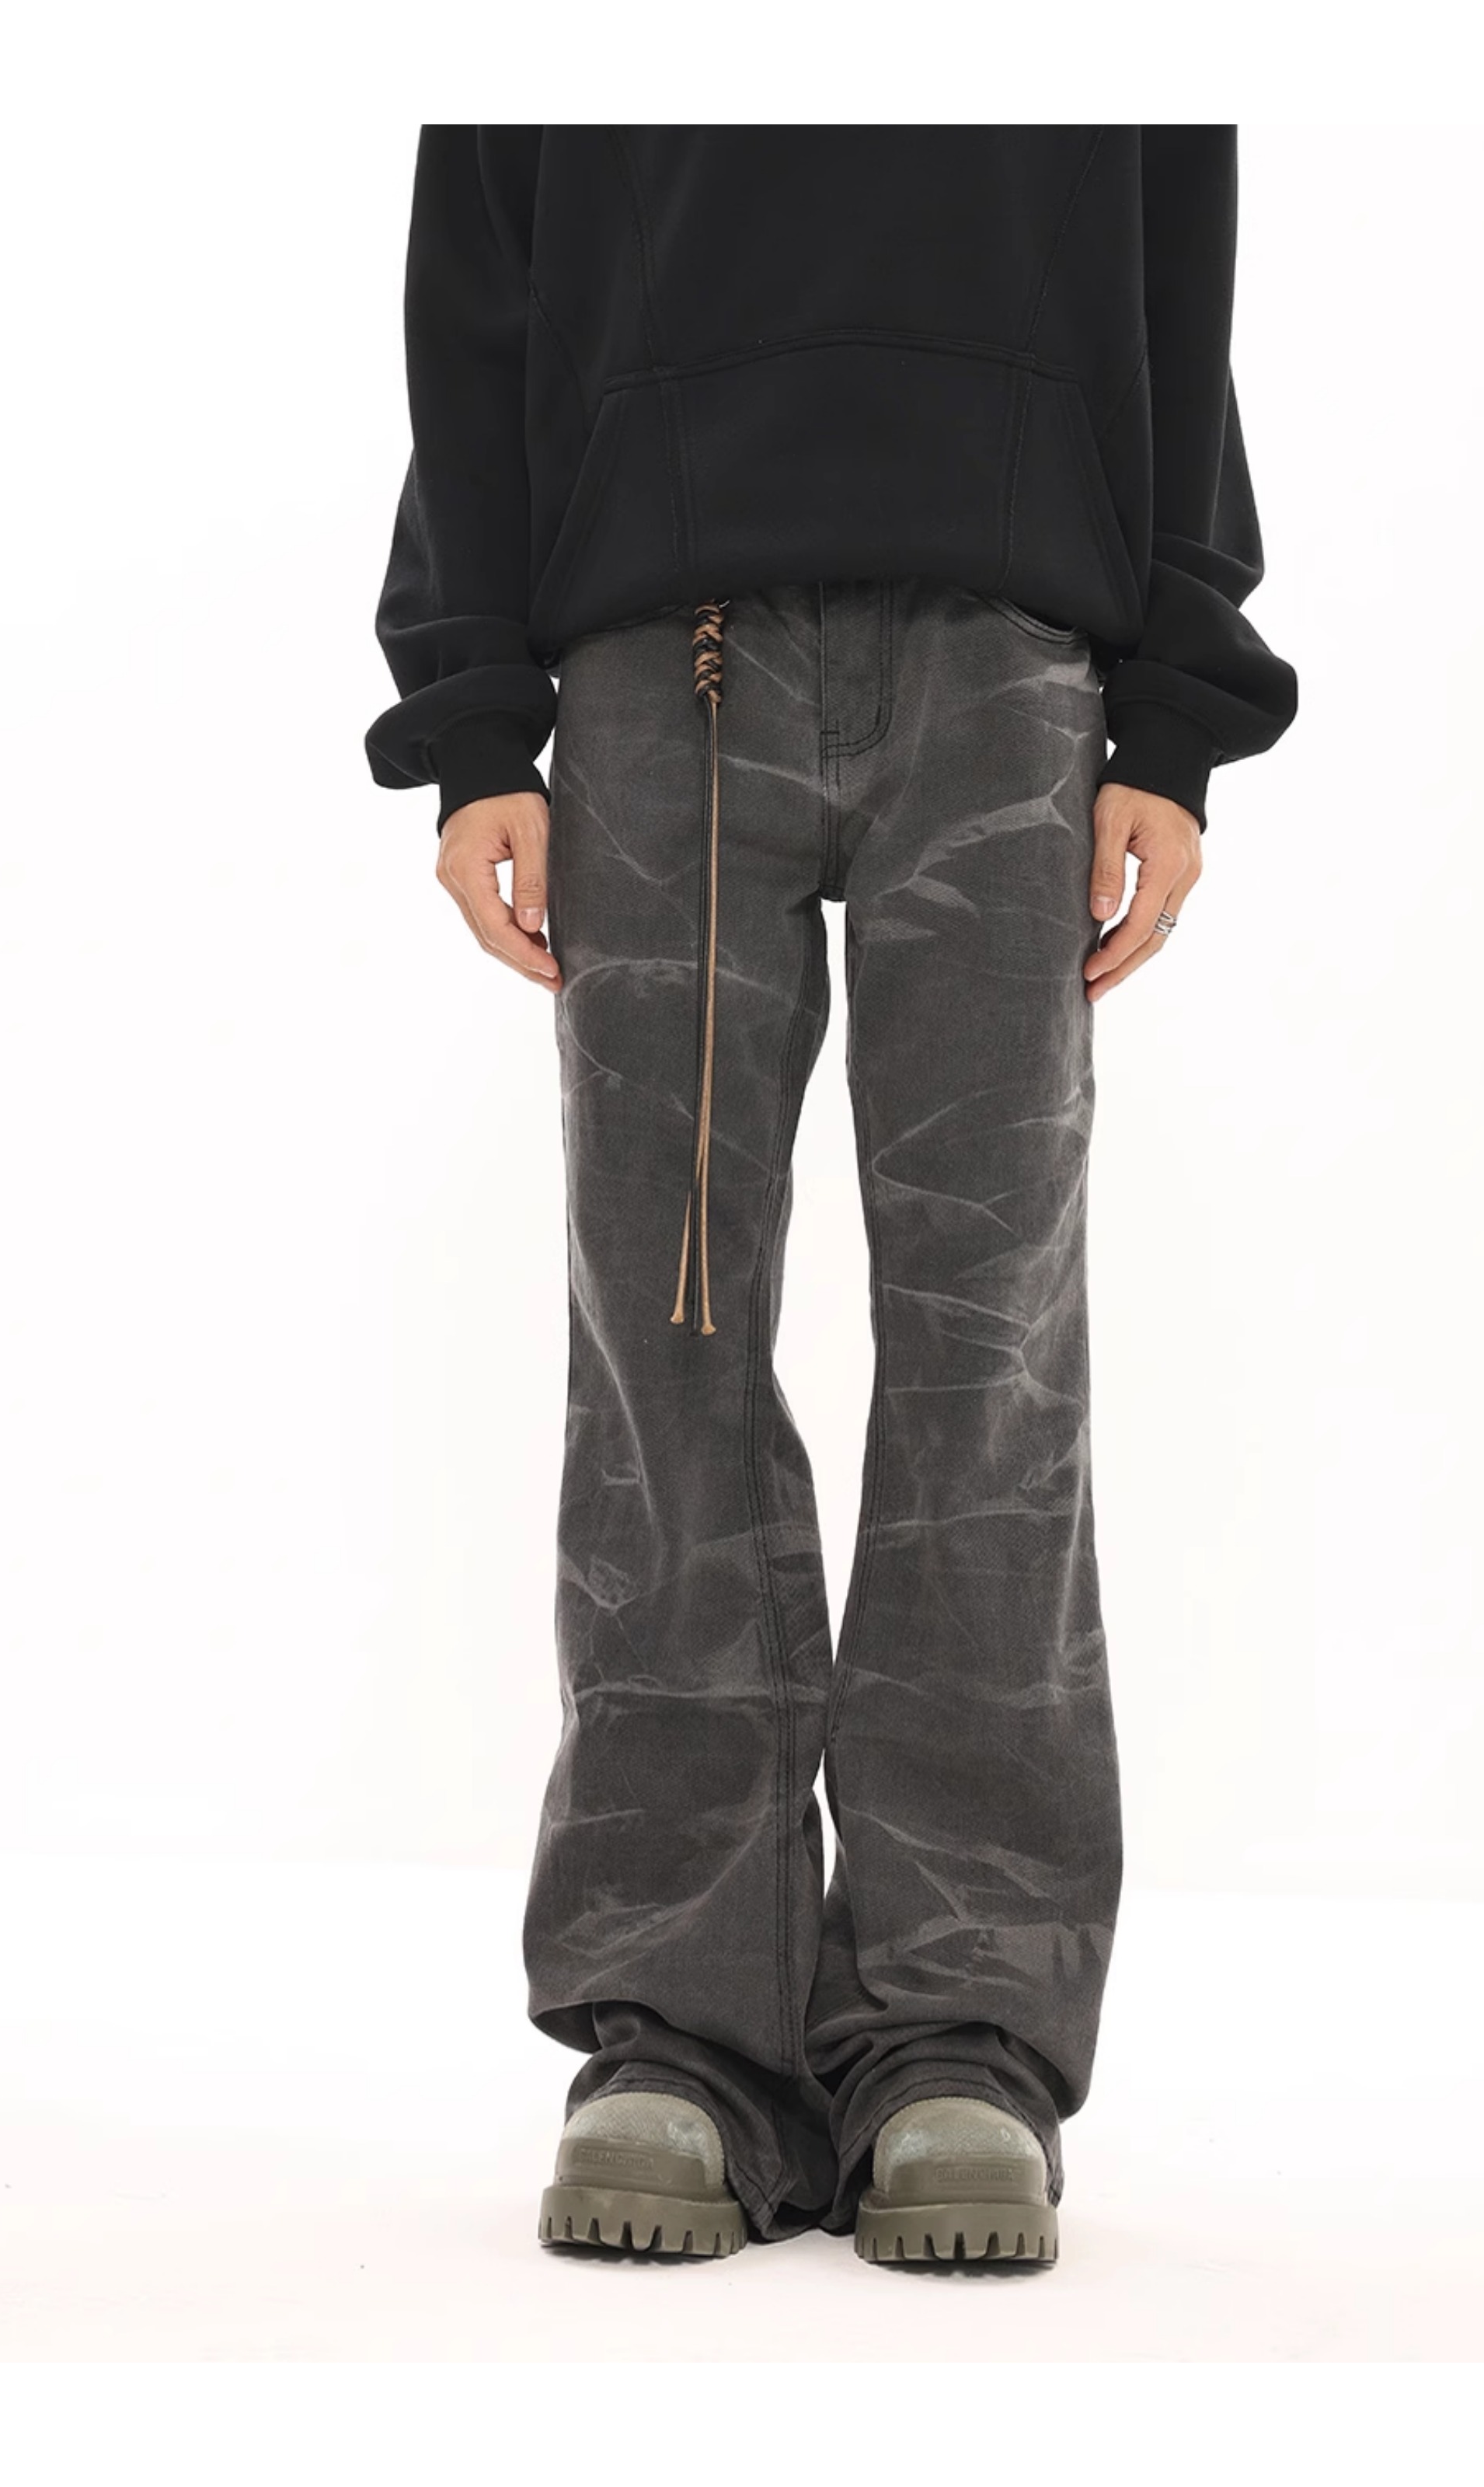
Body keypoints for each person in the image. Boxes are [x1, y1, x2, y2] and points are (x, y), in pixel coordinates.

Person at [366, 124, 1296, 2266]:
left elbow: (1178, 263)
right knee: (665, 1337)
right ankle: (680, 2029)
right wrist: (477, 718)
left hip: (1012, 650)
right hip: (659, 649)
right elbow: (477, 283)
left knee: (991, 1352)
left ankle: (964, 2028)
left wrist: (1172, 717)